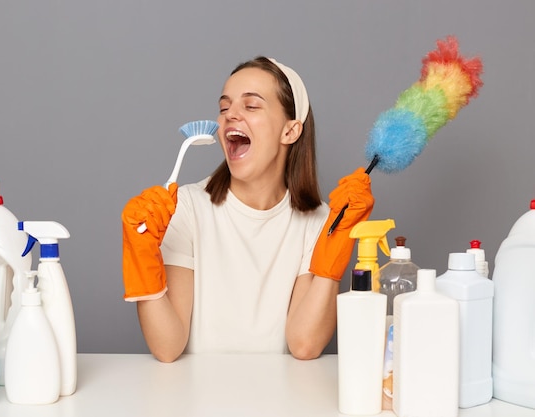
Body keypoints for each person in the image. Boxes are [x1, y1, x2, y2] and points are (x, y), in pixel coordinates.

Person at [122, 56, 374, 363]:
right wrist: (142, 255)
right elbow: (167, 347)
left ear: (290, 132)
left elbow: (305, 345)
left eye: (251, 106)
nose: (230, 116)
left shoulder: (319, 220)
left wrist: (333, 258)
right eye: (224, 107)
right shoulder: (185, 208)